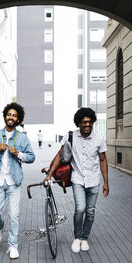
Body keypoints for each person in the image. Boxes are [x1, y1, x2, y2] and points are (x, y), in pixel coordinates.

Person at [44, 107, 109, 253]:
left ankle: (85, 238)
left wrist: (106, 182)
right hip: (78, 179)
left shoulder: (99, 138)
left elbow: (103, 160)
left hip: (94, 180)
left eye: (90, 122)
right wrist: (50, 174)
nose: (87, 125)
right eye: (84, 122)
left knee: (90, 211)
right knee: (80, 209)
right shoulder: (70, 136)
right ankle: (77, 238)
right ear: (78, 123)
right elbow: (60, 155)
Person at [0, 103, 35, 259]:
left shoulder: (23, 138)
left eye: (14, 115)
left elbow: (31, 157)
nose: (11, 117)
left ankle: (13, 246)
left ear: (17, 119)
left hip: (14, 182)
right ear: (5, 116)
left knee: (14, 215)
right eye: (9, 114)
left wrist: (18, 153)